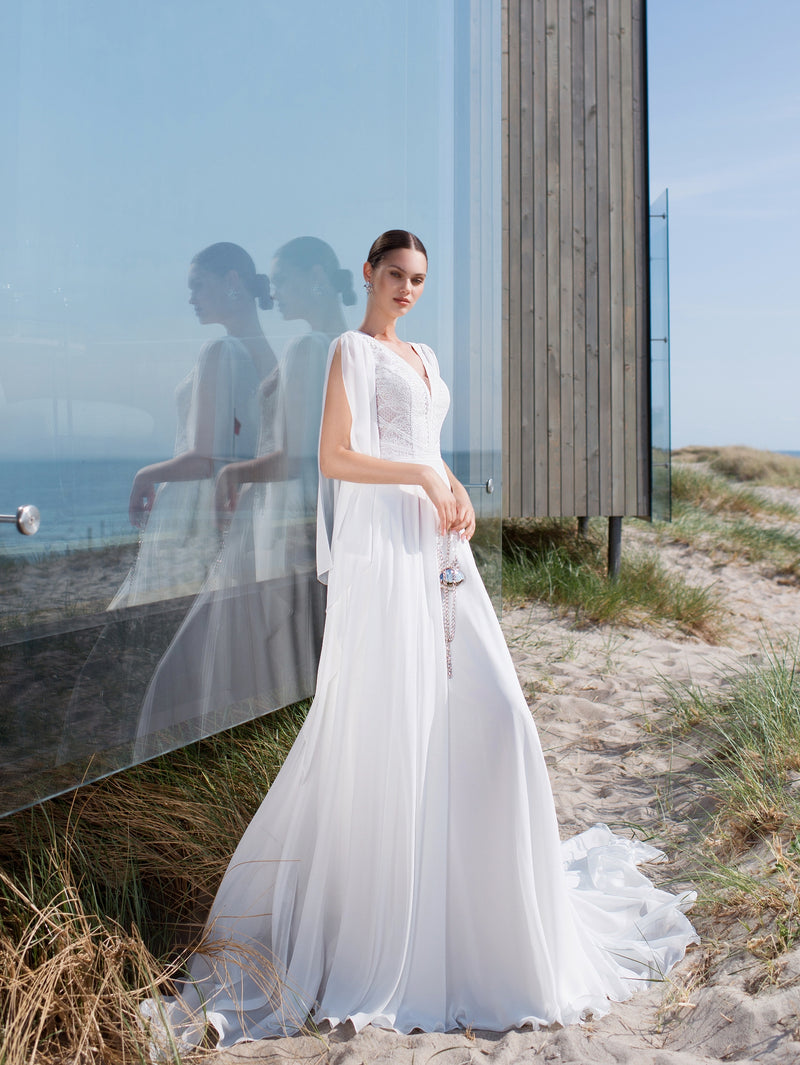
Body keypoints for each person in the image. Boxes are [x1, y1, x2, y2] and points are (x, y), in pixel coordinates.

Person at [141, 230, 696, 1052]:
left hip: (444, 550)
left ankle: (491, 906)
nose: (407, 288)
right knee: (397, 722)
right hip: (389, 558)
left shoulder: (427, 355)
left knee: (498, 710)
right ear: (368, 273)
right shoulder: (348, 351)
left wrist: (452, 481)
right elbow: (335, 456)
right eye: (395, 274)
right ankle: (406, 921)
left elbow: (427, 449)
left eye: (419, 279)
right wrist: (422, 477)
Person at [133, 239, 355, 754]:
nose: (273, 292)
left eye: (282, 281)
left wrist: (230, 477)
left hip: (283, 517)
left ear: (315, 276)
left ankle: (171, 749)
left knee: (213, 651)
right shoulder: (346, 344)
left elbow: (294, 453)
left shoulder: (302, 348)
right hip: (320, 518)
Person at [109, 243, 276, 609]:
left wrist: (144, 476)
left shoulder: (220, 351)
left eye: (198, 285)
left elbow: (205, 458)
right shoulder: (269, 358)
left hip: (196, 515)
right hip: (240, 512)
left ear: (231, 280)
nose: (191, 298)